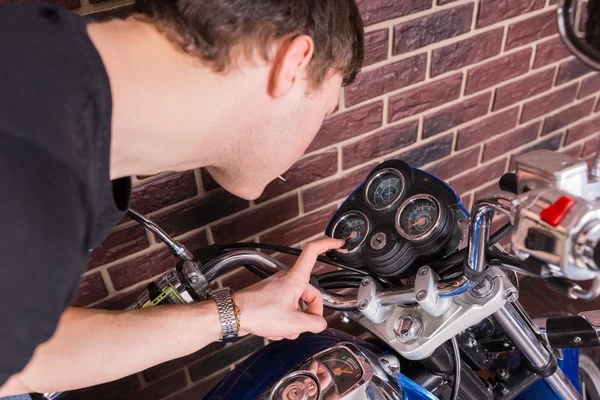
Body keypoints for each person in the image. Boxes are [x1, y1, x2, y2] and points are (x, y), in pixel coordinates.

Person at [0, 0, 364, 397]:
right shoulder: (27, 175)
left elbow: (32, 357)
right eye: (325, 111)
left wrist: (239, 312)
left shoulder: (37, 70)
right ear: (292, 65)